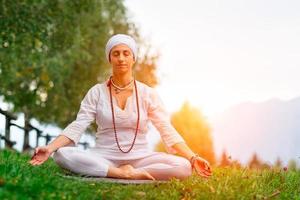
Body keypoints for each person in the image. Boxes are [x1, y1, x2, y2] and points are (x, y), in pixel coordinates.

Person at [29, 34, 212, 181]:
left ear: (133, 58)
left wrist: (193, 157)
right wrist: (50, 148)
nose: (121, 58)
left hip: (141, 159)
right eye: (116, 54)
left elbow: (167, 130)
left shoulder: (148, 93)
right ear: (110, 58)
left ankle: (130, 171)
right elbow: (78, 125)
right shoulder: (97, 92)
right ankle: (120, 173)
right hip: (103, 156)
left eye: (126, 53)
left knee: (184, 166)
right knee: (61, 155)